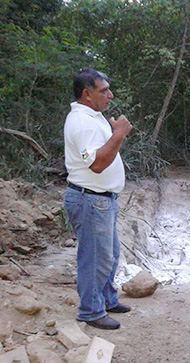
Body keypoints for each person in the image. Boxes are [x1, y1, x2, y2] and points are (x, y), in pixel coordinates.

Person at [64, 69, 133, 330]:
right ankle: (91, 311)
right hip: (91, 200)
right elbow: (96, 164)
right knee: (95, 259)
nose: (110, 95)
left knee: (109, 255)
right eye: (104, 90)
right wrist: (119, 134)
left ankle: (106, 299)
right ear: (87, 94)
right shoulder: (82, 122)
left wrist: (114, 133)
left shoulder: (93, 117)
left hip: (100, 199)